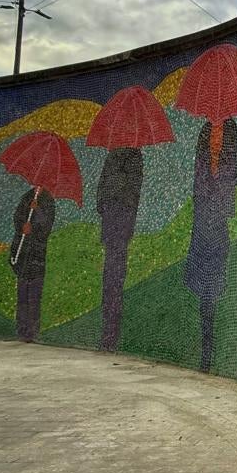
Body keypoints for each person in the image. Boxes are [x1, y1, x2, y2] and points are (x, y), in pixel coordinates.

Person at [185, 118, 237, 373]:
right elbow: (198, 170)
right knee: (202, 272)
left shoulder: (231, 128)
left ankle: (209, 347)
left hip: (218, 213)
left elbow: (233, 167)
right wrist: (202, 198)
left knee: (215, 273)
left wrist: (225, 203)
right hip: (203, 211)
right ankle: (204, 344)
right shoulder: (205, 130)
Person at [96, 146, 144, 352]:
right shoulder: (112, 156)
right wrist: (104, 203)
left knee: (116, 277)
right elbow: (102, 190)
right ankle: (107, 333)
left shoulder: (135, 156)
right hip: (111, 221)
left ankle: (112, 334)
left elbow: (131, 191)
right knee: (109, 277)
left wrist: (114, 188)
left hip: (122, 223)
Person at [10, 185, 55, 342]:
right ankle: (21, 329)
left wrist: (37, 212)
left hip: (37, 254)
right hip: (23, 253)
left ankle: (32, 331)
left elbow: (47, 226)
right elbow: (18, 217)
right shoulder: (27, 197)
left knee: (34, 295)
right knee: (22, 294)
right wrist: (22, 226)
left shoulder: (47, 200)